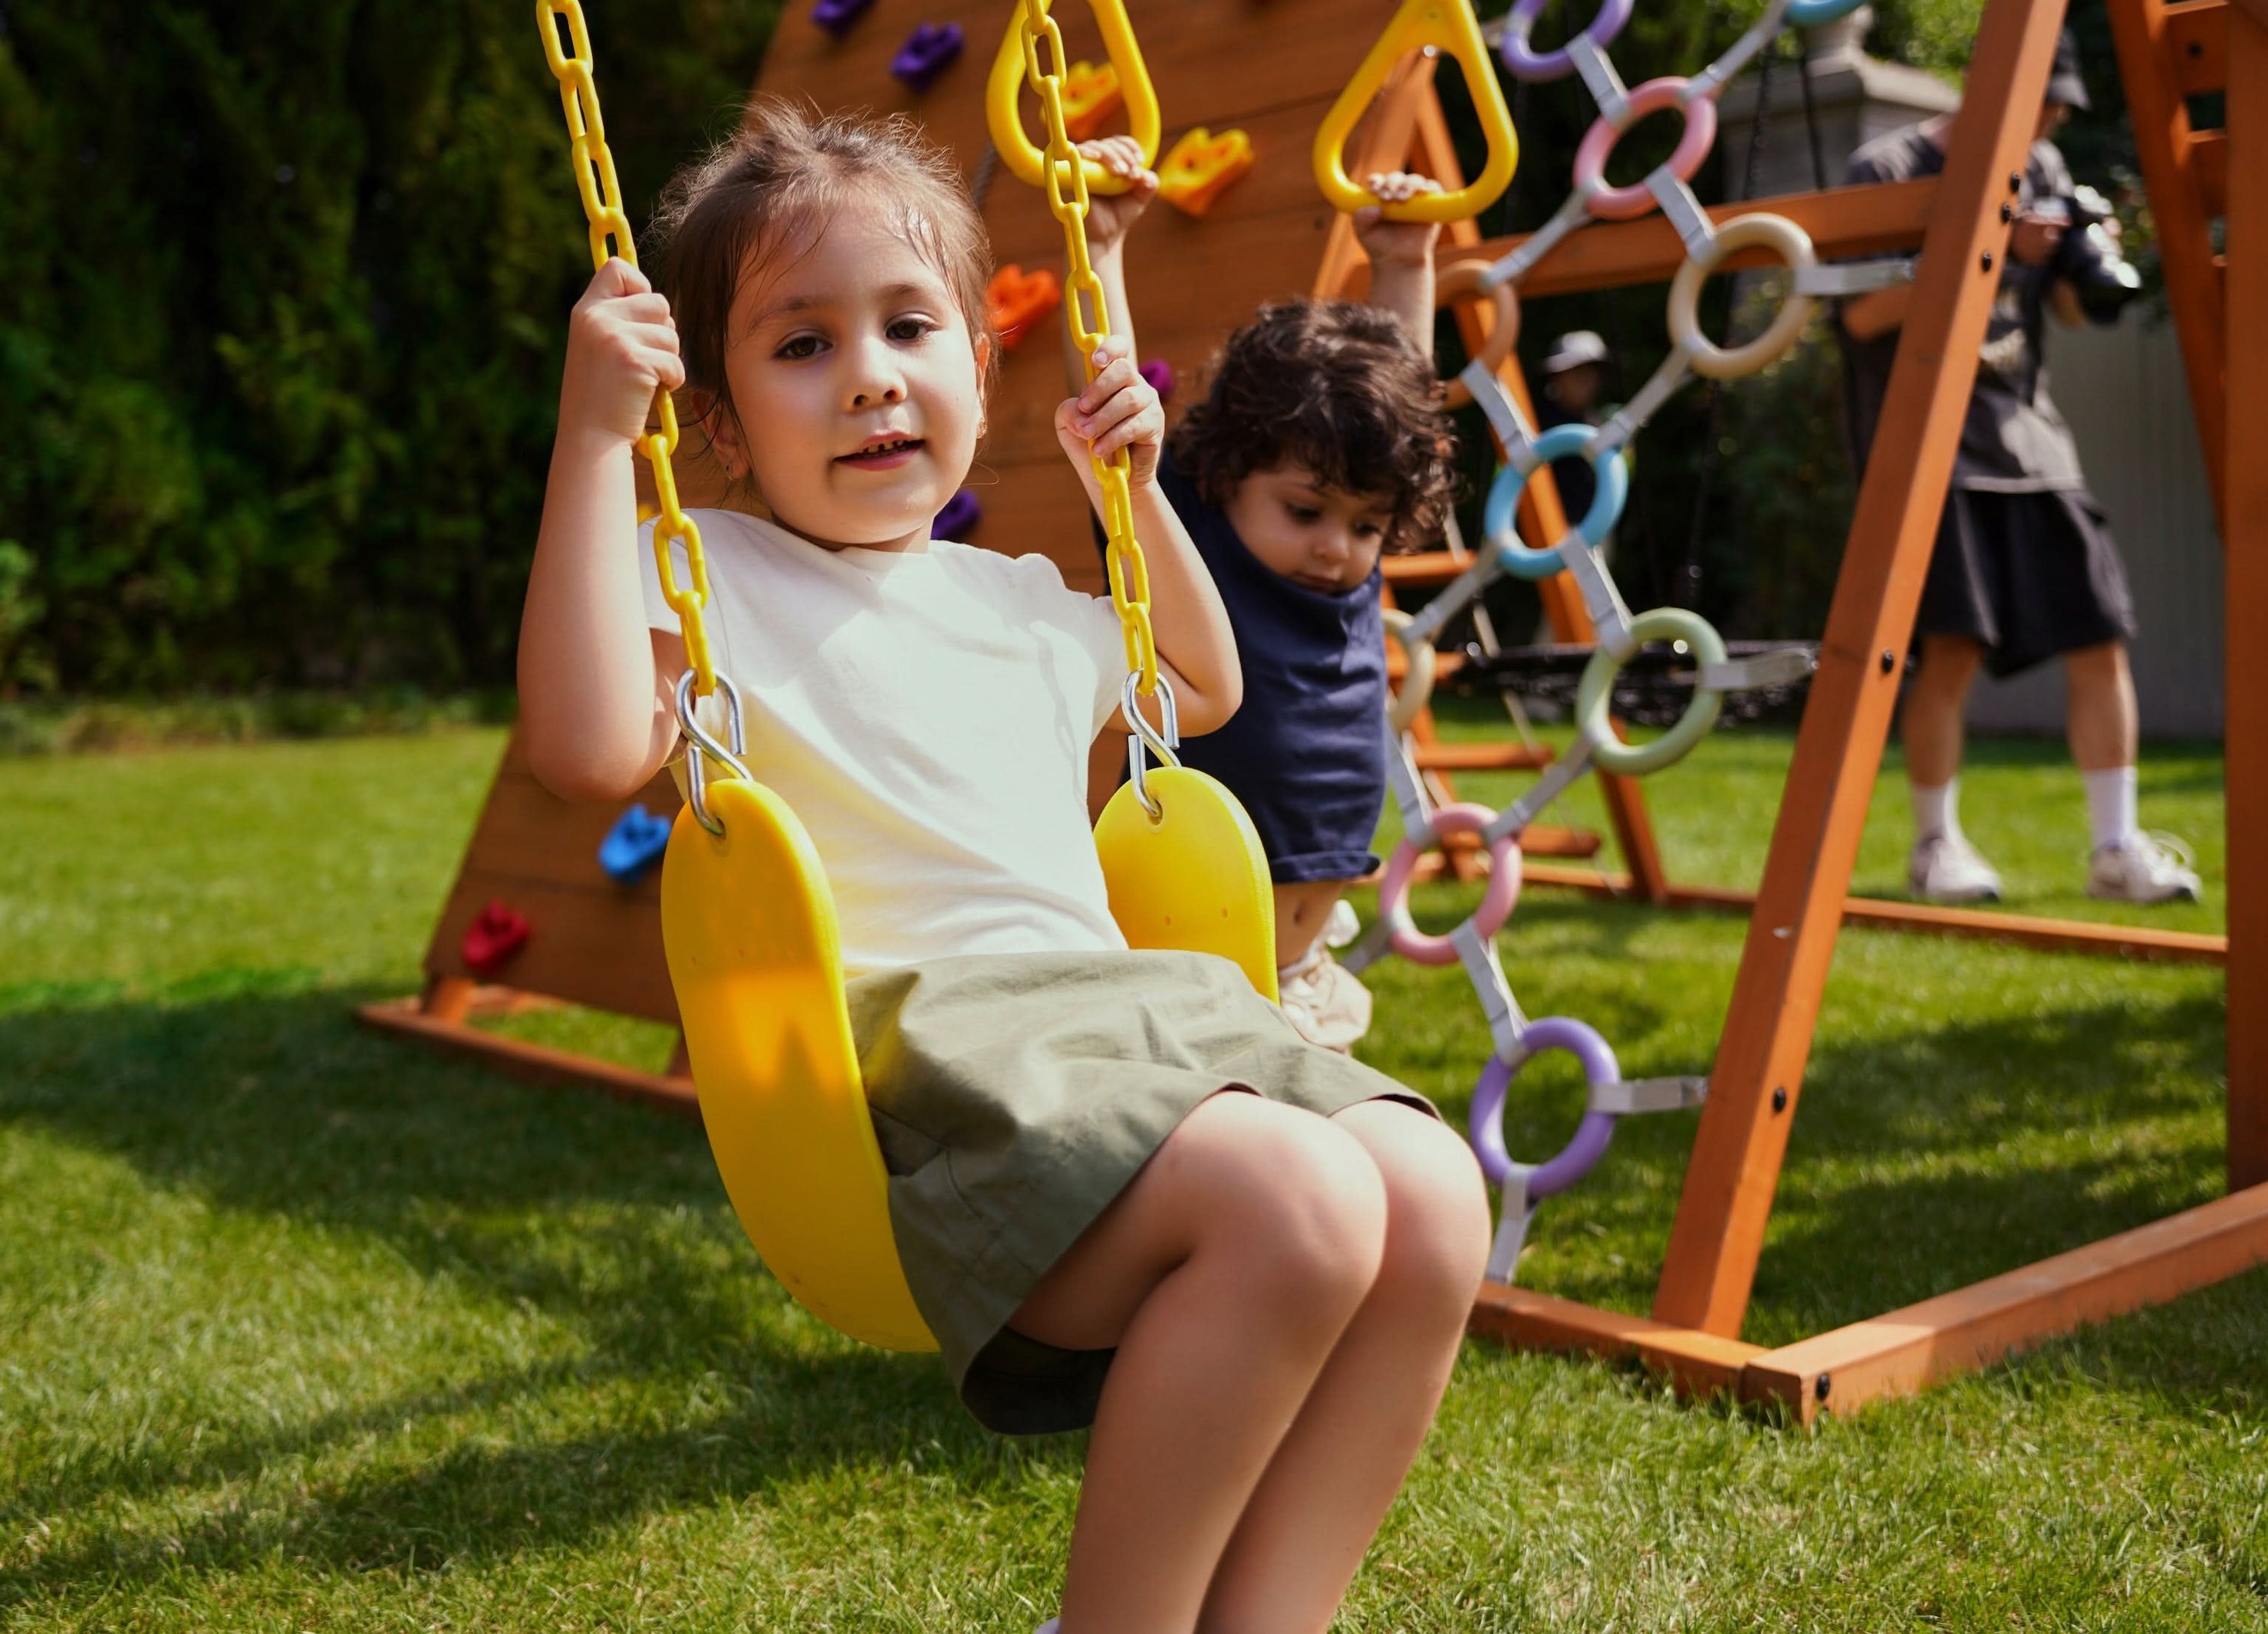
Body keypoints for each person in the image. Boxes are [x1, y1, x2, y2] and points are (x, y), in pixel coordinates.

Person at [515, 102, 1490, 1634]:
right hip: (938, 1070)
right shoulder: (710, 577)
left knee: (1433, 1196)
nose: (872, 375)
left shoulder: (1018, 591)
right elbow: (583, 744)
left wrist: (1139, 489)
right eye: (802, 346)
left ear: (979, 362)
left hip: (1135, 1022)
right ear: (715, 422)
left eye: (910, 326)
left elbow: (1204, 684)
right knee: (1301, 1200)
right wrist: (589, 435)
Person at [1088, 155, 1457, 1051]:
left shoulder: (1344, 571)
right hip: (1197, 963)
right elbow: (1109, 399)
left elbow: (1399, 399)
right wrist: (1099, 245)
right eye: (1306, 512)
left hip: (1305, 973)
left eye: (1368, 525)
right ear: (1225, 475)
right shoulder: (1190, 549)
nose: (1340, 546)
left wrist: (1406, 266)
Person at [1835, 31, 2201, 906]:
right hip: (1931, 444)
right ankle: (1937, 845)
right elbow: (1861, 314)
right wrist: (1992, 240)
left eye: (2055, 113)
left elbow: (2069, 316)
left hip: (2033, 442)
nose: (2042, 127)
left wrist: (2083, 254)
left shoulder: (2042, 166)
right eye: (2035, 105)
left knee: (2100, 635)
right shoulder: (1887, 167)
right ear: (1986, 87)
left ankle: (2115, 847)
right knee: (1950, 650)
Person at [1538, 329, 1611, 524]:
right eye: (1576, 372)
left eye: (1591, 372)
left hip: (1592, 529)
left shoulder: (1598, 422)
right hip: (1544, 533)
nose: (1585, 380)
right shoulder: (1535, 423)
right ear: (1556, 377)